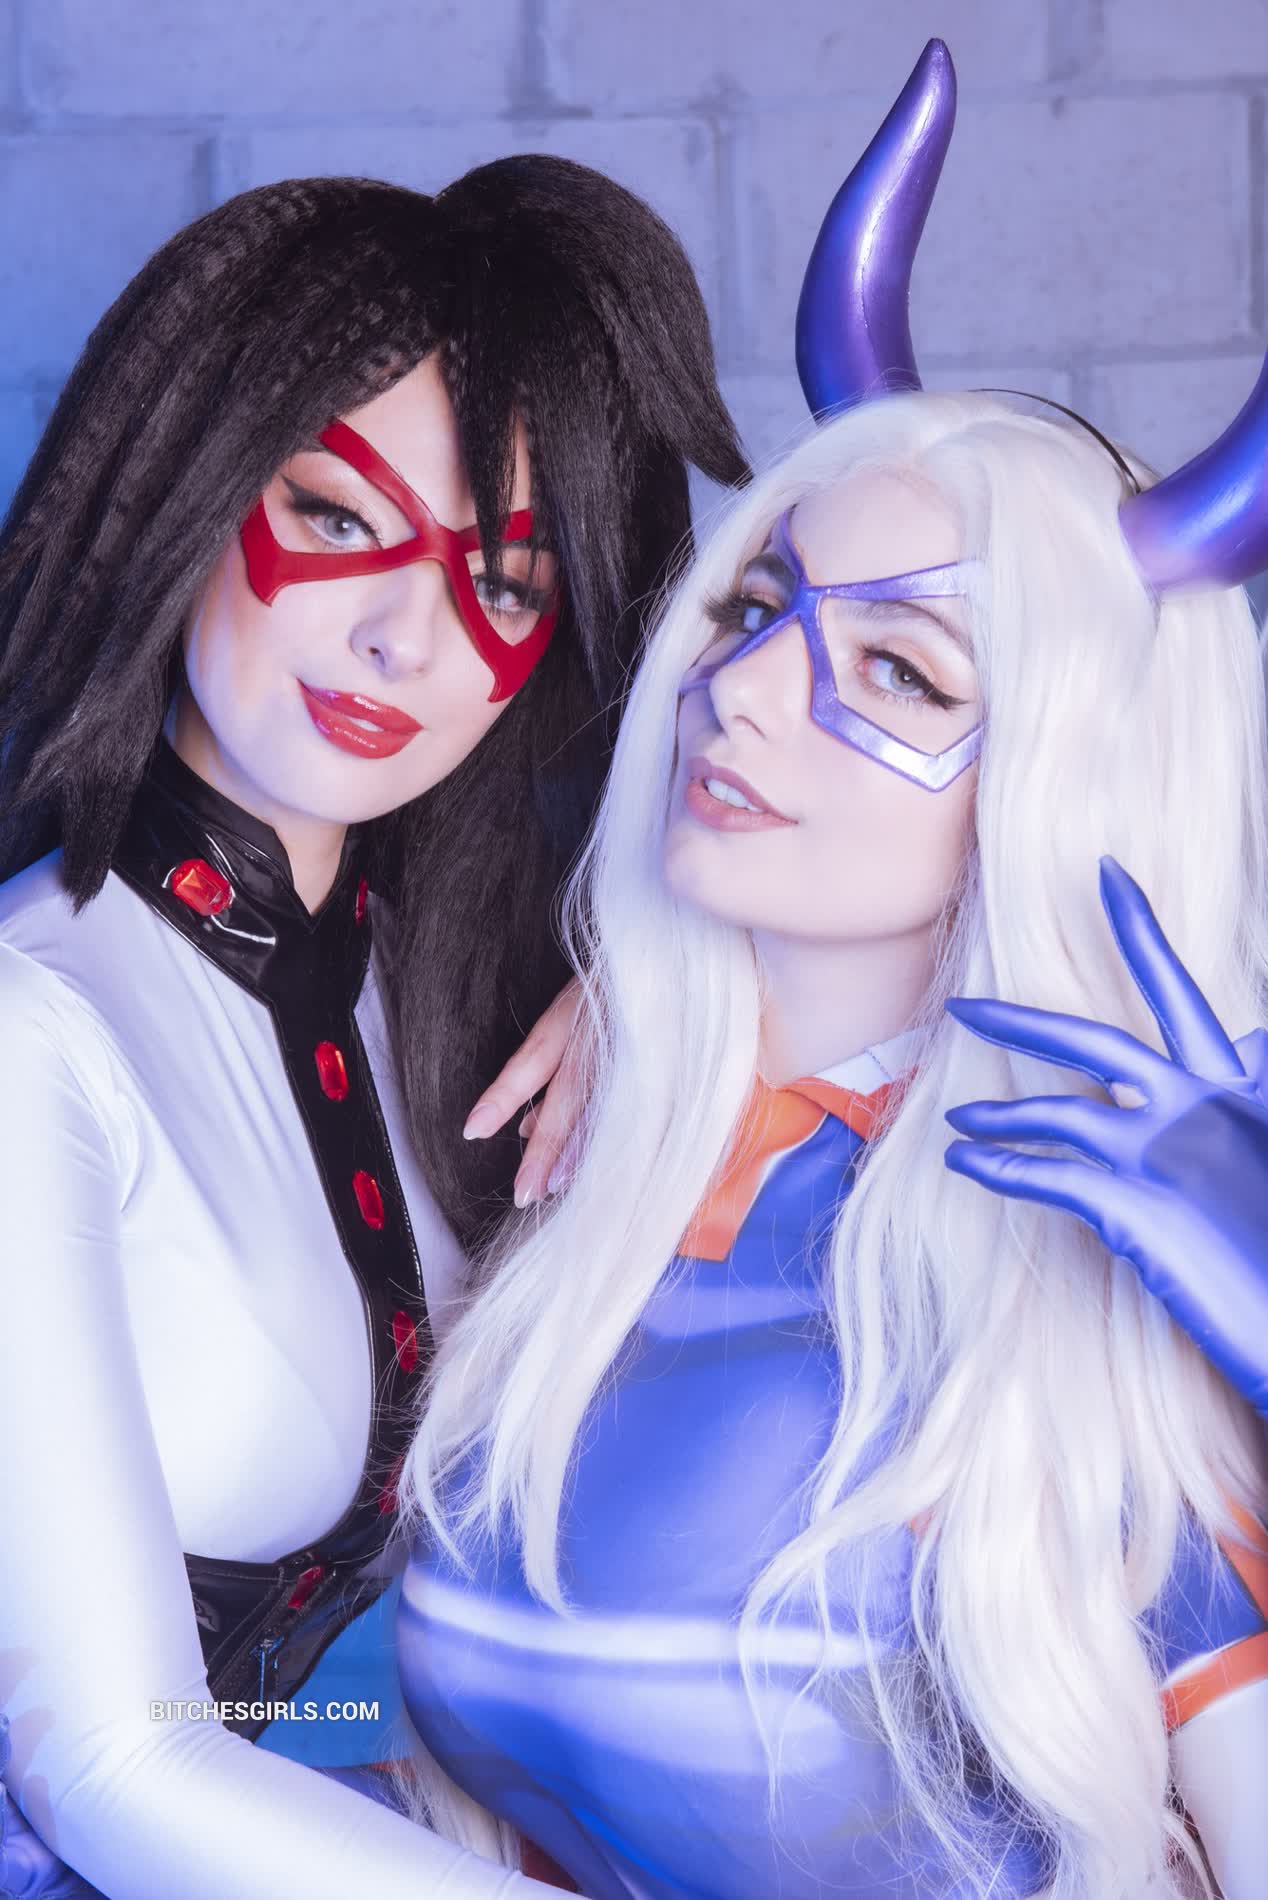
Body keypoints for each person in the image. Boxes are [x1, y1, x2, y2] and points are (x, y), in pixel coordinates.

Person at [395, 46, 1268, 1900]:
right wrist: (135, 1748)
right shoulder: (569, 1176)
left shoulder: (1072, 1336)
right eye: (758, 606)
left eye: (903, 673)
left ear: (1057, 789)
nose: (745, 690)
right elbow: (326, 1713)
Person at [0, 158, 745, 1896]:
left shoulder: (450, 988)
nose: (410, 639)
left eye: (506, 577)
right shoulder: (34, 1030)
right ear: (188, 494)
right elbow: (113, 1760)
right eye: (339, 520)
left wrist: (679, 973)